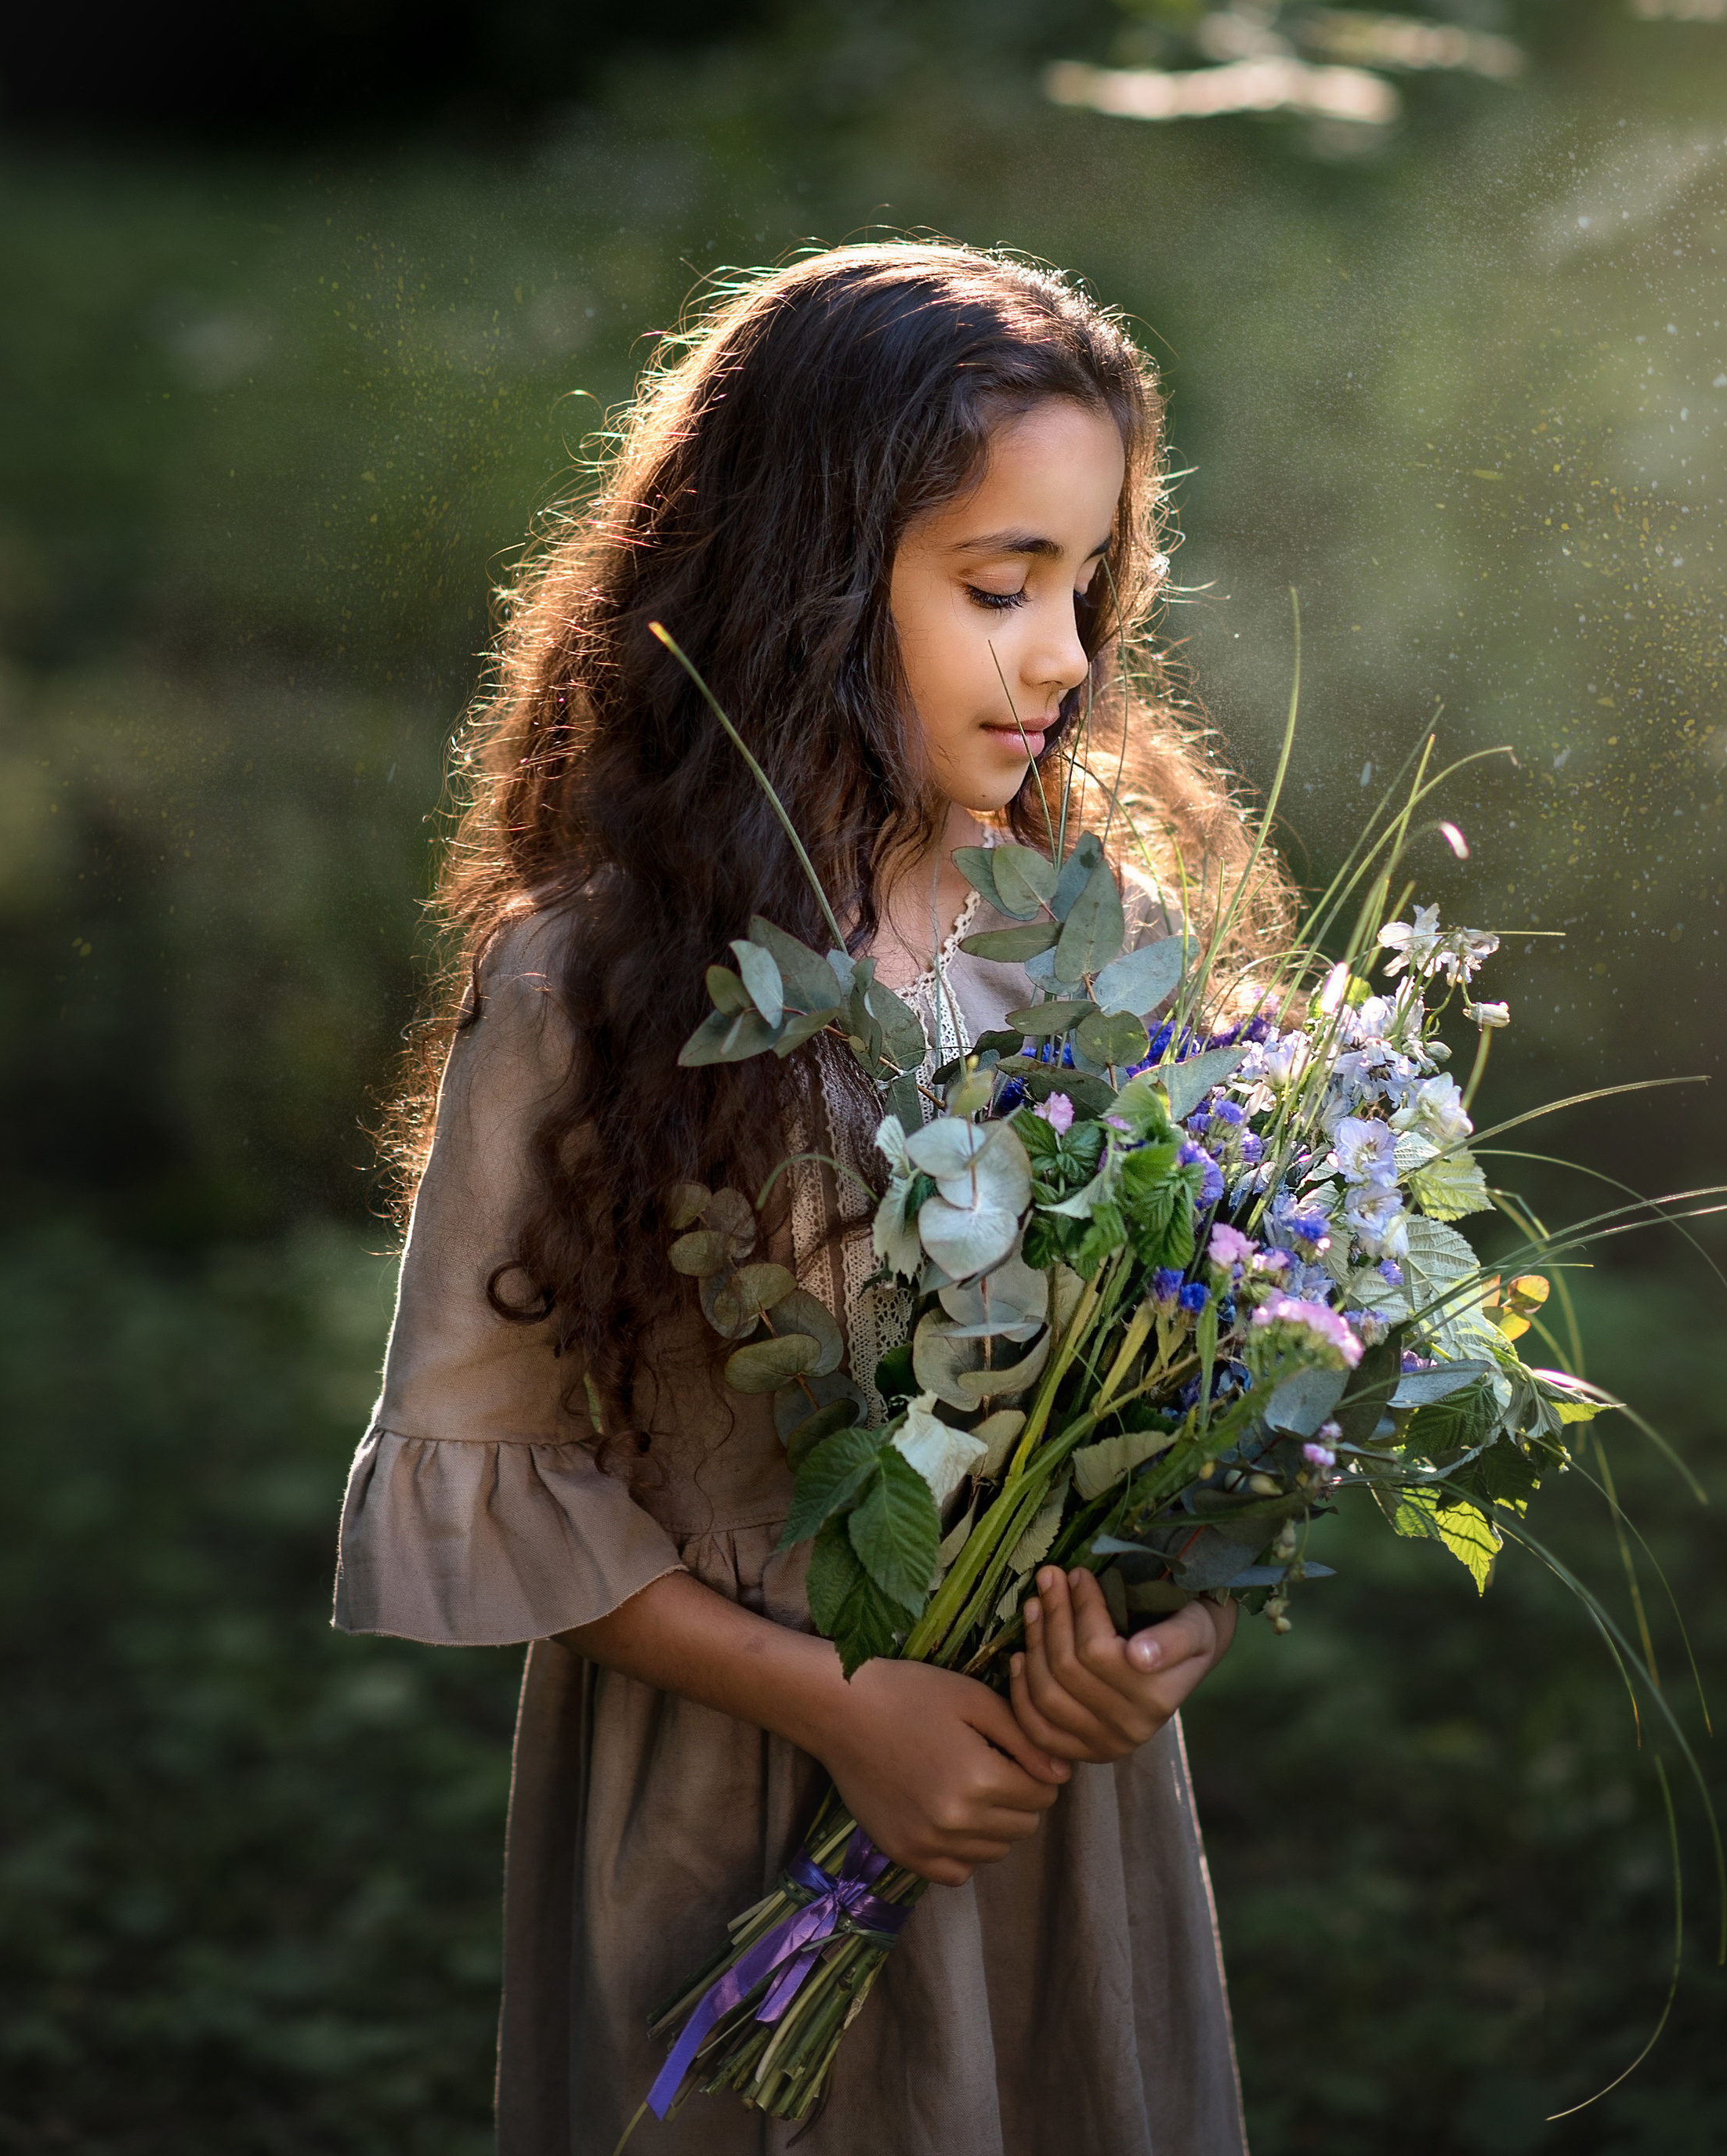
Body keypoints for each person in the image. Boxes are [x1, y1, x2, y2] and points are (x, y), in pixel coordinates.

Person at [333, 243, 1291, 2155]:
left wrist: (1168, 1631)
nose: (1066, 657)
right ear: (802, 576)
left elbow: (1195, 1398)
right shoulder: (596, 981)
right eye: (998, 585)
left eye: (1088, 587)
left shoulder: (1100, 951)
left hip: (1049, 1806)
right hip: (734, 1795)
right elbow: (500, 1472)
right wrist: (849, 1707)